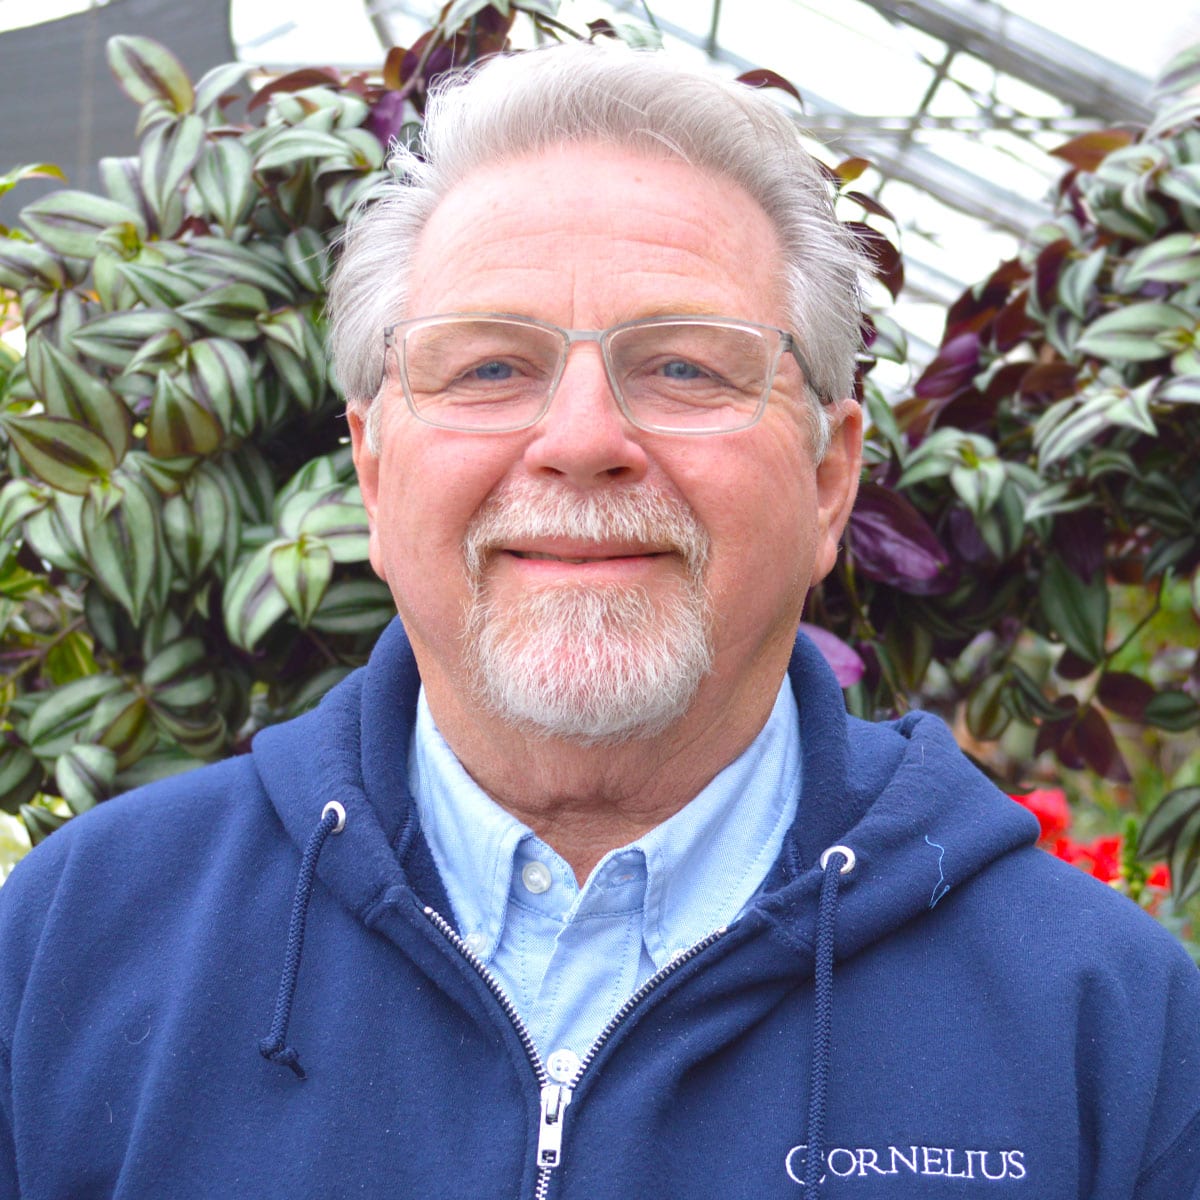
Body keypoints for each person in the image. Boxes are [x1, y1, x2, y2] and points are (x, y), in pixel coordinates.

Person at [1, 40, 1198, 1200]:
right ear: (371, 468)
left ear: (830, 480)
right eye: (487, 368)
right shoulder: (73, 945)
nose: (580, 442)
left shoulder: (1116, 1031)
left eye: (684, 367)